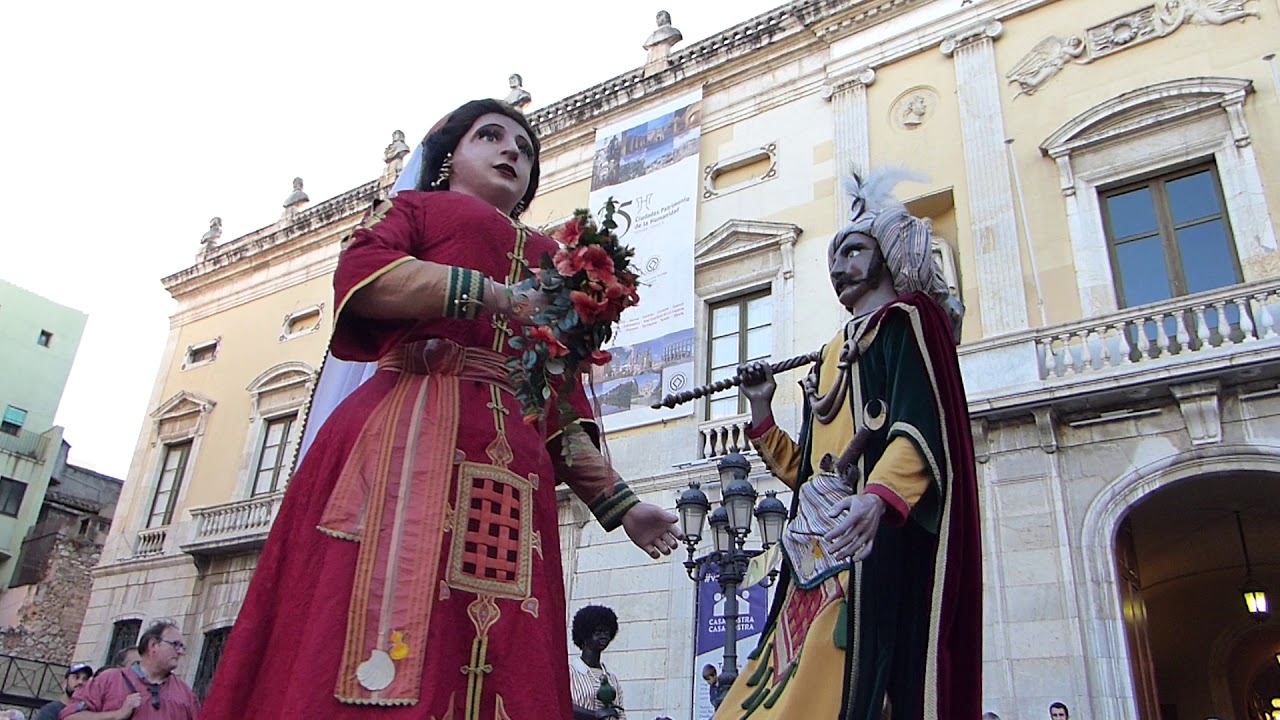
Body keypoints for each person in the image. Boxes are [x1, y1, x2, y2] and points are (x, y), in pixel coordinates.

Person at [199, 98, 681, 719]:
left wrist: (621, 503)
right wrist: (490, 295)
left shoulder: (554, 258)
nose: (513, 151)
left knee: (501, 636)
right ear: (449, 155)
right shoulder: (414, 209)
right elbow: (363, 274)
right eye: (492, 136)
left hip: (514, 475)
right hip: (405, 437)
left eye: (526, 149)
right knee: (382, 617)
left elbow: (556, 398)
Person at [713, 170, 980, 719]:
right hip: (812, 548)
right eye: (834, 257)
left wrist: (877, 497)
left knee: (842, 673)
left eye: (854, 251)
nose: (838, 266)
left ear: (888, 255)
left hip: (868, 539)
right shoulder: (832, 350)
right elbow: (807, 473)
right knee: (782, 673)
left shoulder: (906, 322)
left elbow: (919, 425)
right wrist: (762, 407)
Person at [61, 620, 199, 719]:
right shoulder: (109, 680)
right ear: (153, 645)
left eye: (182, 647)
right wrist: (116, 715)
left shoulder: (185, 694)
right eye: (175, 645)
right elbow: (71, 717)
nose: (180, 652)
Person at [570, 605, 625, 720]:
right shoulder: (569, 673)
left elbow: (620, 715)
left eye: (607, 632)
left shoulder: (612, 679)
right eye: (598, 632)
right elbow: (562, 706)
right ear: (585, 635)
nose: (604, 636)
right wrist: (594, 716)